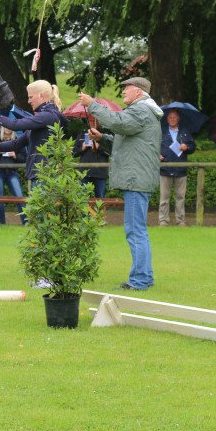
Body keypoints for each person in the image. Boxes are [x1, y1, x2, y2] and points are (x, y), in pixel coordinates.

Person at [79, 77, 163, 291]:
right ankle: (144, 277)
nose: (123, 91)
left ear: (138, 91)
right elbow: (127, 139)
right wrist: (103, 138)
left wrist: (93, 105)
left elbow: (118, 122)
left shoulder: (141, 110)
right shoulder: (144, 111)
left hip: (136, 180)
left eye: (126, 88)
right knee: (137, 230)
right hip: (137, 178)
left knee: (135, 231)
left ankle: (141, 280)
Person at [0, 80, 63, 188]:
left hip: (44, 175)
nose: (28, 101)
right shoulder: (42, 119)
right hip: (38, 174)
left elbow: (16, 125)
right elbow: (16, 143)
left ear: (41, 96)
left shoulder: (48, 116)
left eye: (30, 97)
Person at [159, 109, 196, 226]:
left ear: (178, 118)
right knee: (164, 198)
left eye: (174, 117)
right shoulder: (162, 132)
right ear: (167, 119)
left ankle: (180, 220)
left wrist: (187, 147)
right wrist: (157, 155)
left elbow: (193, 146)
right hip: (165, 169)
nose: (172, 119)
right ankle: (163, 220)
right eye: (170, 117)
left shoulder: (185, 132)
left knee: (180, 197)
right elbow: (153, 146)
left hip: (181, 169)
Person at [72, 129, 111, 198]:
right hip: (84, 173)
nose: (92, 120)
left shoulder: (105, 135)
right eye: (91, 119)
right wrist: (82, 148)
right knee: (83, 199)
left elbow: (111, 152)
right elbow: (74, 153)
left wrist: (99, 147)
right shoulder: (82, 134)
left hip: (100, 174)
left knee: (100, 200)